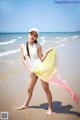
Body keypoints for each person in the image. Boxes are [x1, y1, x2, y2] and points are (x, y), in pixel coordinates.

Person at [17, 28, 53, 115]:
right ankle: (26, 104)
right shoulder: (22, 46)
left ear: (36, 37)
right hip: (33, 71)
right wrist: (29, 69)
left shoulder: (38, 46)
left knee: (46, 89)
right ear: (28, 34)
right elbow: (23, 60)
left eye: (35, 35)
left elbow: (41, 60)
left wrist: (47, 52)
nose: (32, 36)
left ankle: (50, 108)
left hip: (41, 70)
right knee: (29, 89)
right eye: (31, 34)